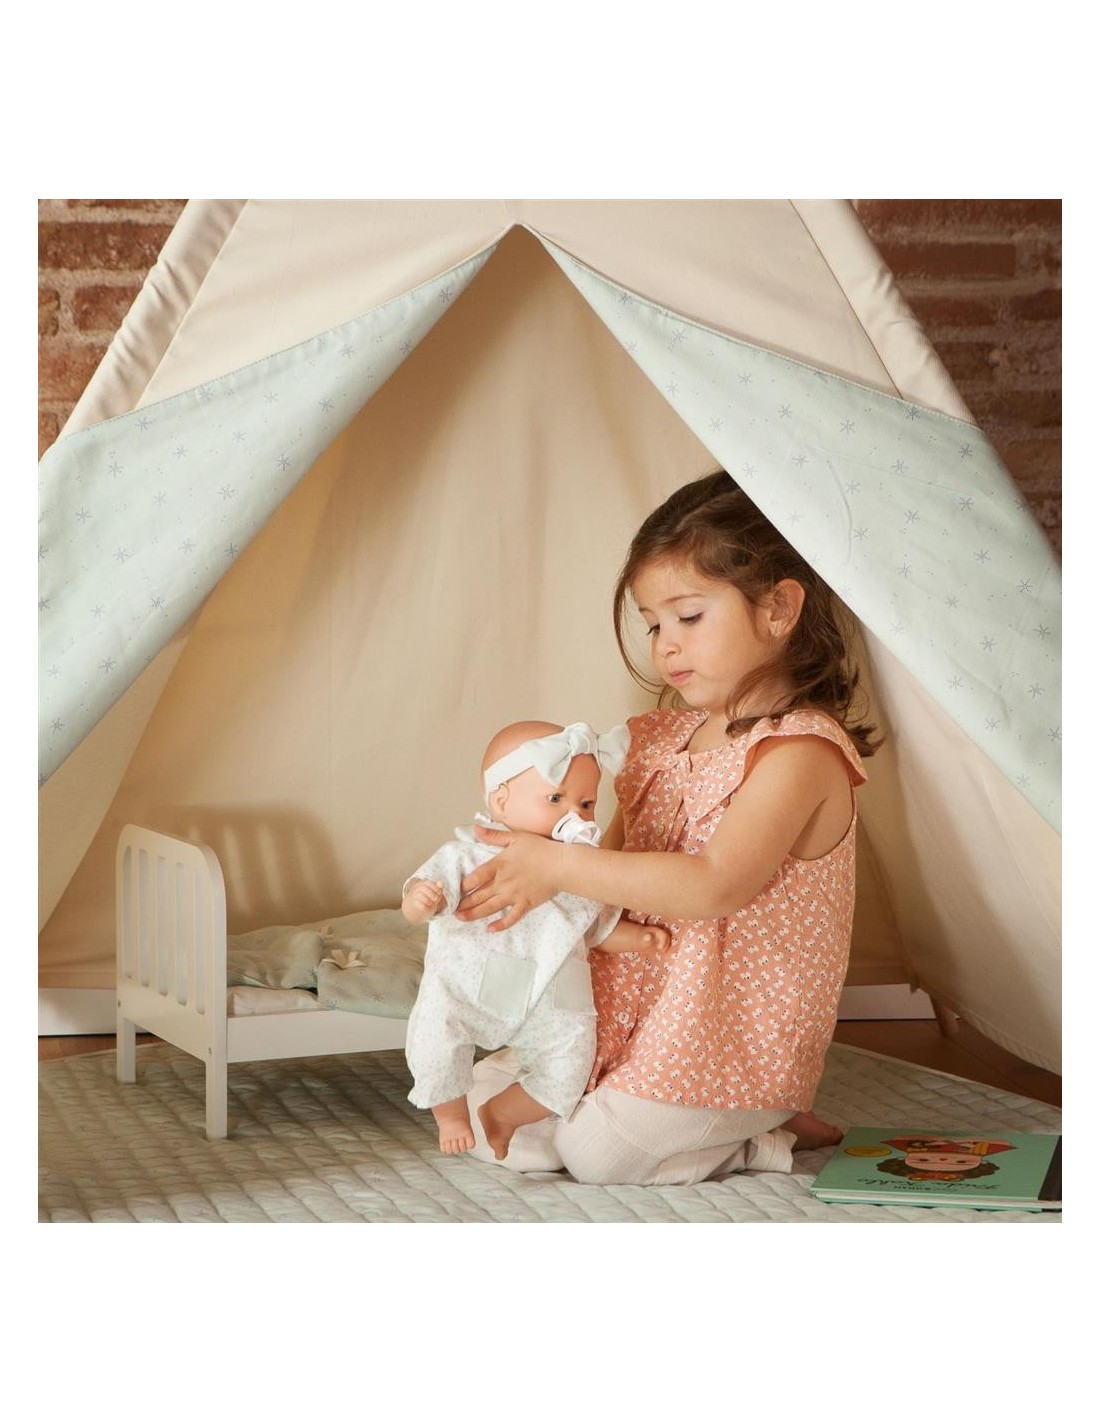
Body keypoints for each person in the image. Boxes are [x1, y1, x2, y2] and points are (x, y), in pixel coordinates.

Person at [455, 470, 880, 1186]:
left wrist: (556, 866)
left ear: (778, 609)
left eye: (689, 617)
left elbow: (714, 885)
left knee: (598, 1157)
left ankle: (759, 1133)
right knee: (478, 1104)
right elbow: (609, 871)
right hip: (634, 1008)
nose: (666, 646)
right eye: (655, 625)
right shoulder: (657, 742)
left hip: (723, 1039)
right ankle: (659, 1120)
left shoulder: (800, 753)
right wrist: (540, 884)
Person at [401, 719, 670, 1160]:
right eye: (556, 799)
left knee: (571, 1063)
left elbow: (594, 926)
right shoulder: (466, 854)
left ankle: (505, 1113)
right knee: (434, 1041)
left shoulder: (579, 867)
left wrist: (638, 939)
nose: (574, 815)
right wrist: (420, 901)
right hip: (465, 987)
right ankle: (450, 1115)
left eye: (586, 803)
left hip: (548, 996)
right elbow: (421, 898)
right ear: (501, 800)